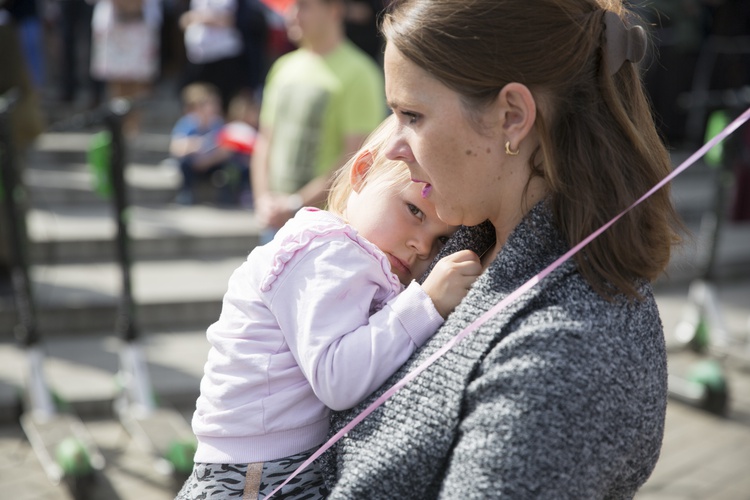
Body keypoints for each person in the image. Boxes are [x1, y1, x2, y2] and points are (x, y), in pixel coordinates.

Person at [316, 0, 685, 498]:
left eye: (412, 115)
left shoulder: (568, 353)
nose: (390, 148)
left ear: (511, 116)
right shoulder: (462, 242)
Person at [175, 116, 482, 499]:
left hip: (269, 464)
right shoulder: (328, 250)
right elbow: (337, 378)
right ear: (362, 171)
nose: (422, 246)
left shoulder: (351, 256)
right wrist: (426, 303)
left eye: (440, 241)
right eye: (414, 212)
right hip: (254, 474)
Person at [251, 0, 385, 244]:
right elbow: (264, 141)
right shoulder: (282, 67)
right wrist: (264, 200)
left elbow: (355, 156)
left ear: (334, 11)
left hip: (326, 228)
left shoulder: (361, 73)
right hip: (275, 222)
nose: (293, 14)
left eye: (303, 6)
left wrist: (295, 204)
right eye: (291, 6)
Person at [90, 0, 162, 136]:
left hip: (141, 23)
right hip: (113, 24)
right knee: (116, 78)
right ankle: (117, 127)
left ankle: (133, 127)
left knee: (139, 79)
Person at [169, 82, 232, 205]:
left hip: (211, 164)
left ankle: (226, 195)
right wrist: (195, 146)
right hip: (193, 164)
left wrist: (208, 160)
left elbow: (226, 150)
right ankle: (186, 193)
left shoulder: (218, 124)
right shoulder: (188, 123)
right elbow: (176, 147)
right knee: (184, 164)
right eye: (211, 104)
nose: (216, 107)